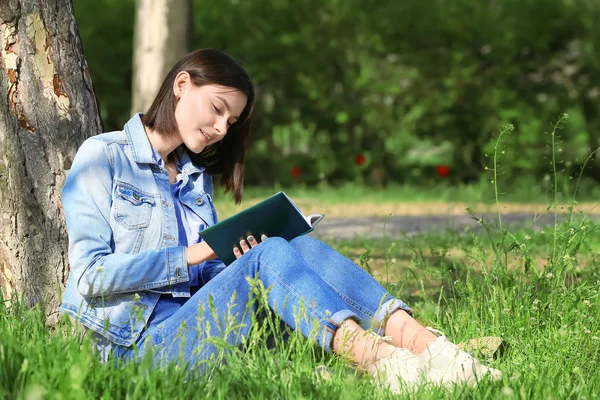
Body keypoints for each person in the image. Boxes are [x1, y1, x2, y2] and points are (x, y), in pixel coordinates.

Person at [60, 48, 501, 393]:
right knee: (271, 252)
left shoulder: (195, 179)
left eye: (230, 120)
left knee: (294, 246)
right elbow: (90, 277)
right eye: (216, 108)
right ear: (181, 85)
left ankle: (426, 346)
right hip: (136, 351)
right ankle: (383, 363)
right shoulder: (104, 157)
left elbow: (206, 276)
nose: (220, 128)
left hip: (200, 331)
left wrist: (234, 260)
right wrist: (193, 255)